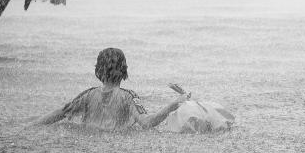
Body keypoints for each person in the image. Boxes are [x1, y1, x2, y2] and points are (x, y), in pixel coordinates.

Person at [32, 48, 188, 130]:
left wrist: (32, 126)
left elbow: (60, 113)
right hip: (115, 142)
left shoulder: (88, 95)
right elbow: (147, 123)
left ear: (98, 70)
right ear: (124, 70)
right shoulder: (128, 96)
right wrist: (174, 104)